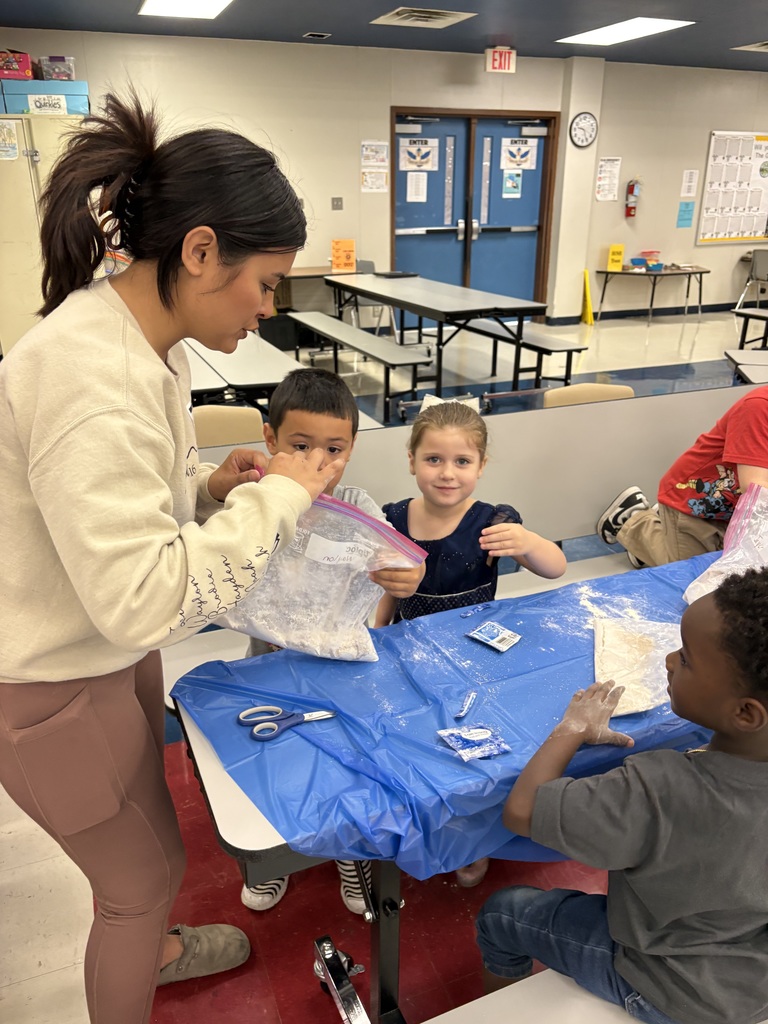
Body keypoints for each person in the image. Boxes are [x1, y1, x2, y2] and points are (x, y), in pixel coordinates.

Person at [0, 91, 347, 1024]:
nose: (268, 310)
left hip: (101, 662)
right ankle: (137, 949)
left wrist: (206, 490)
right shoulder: (90, 376)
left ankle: (152, 942)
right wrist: (280, 495)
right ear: (199, 251)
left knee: (156, 834)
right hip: (51, 683)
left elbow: (100, 503)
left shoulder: (147, 338)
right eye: (266, 284)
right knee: (134, 881)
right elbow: (141, 599)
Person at [475, 566, 768, 1024]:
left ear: (747, 713)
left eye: (687, 659)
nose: (669, 660)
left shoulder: (661, 788)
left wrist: (572, 728)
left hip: (670, 987)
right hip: (750, 982)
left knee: (502, 914)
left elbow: (522, 811)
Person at [241, 366, 425, 913]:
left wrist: (407, 576)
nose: (318, 463)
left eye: (335, 449)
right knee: (274, 760)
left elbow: (398, 562)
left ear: (352, 447)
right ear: (270, 439)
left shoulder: (359, 508)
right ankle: (271, 853)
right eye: (300, 445)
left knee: (340, 761)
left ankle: (349, 851)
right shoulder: (253, 499)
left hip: (335, 669)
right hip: (266, 666)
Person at [376, 400, 566, 886]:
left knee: (478, 750)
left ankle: (472, 837)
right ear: (412, 460)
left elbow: (555, 567)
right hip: (410, 651)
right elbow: (387, 592)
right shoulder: (393, 518)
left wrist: (526, 543)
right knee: (423, 742)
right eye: (433, 459)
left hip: (474, 656)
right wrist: (378, 635)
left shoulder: (494, 522)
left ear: (481, 466)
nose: (447, 474)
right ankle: (427, 822)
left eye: (462, 462)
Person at [597, 385, 768, 568]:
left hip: (732, 509)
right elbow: (757, 491)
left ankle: (663, 538)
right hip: (694, 501)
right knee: (691, 576)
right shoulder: (758, 406)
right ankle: (635, 522)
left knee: (733, 567)